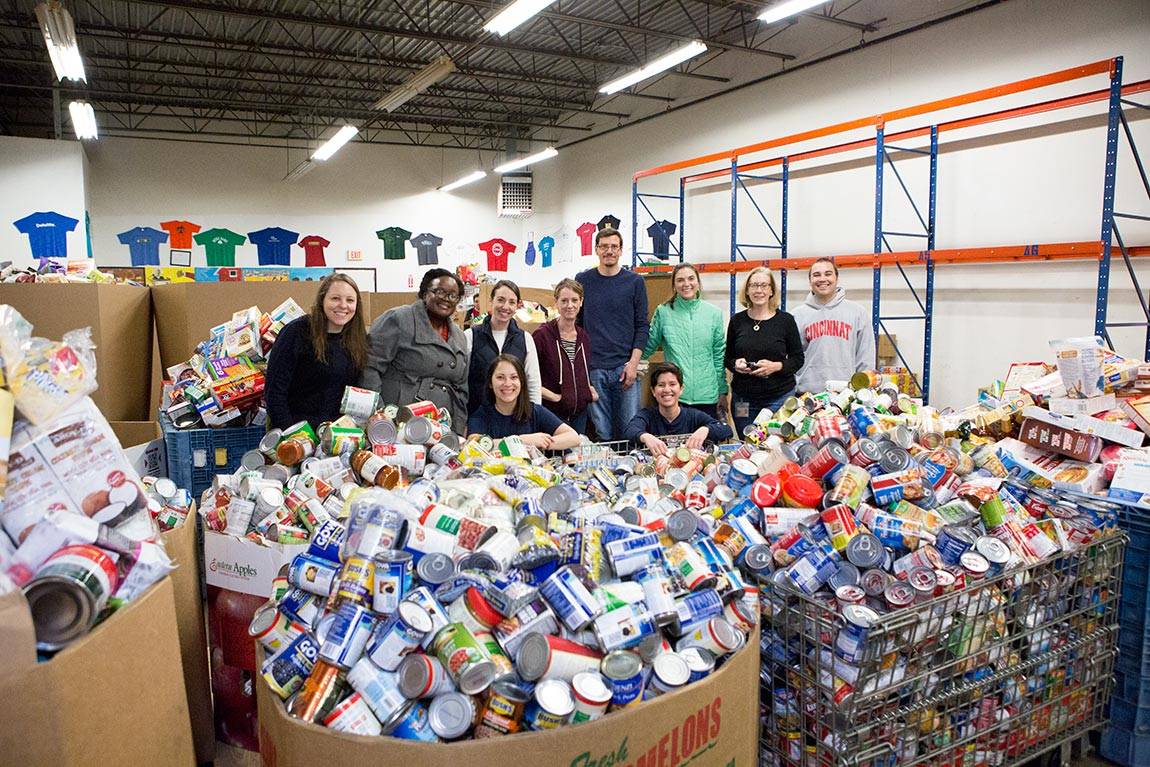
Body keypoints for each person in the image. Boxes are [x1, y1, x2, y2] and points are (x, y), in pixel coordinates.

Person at [361, 268, 469, 434]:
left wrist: (458, 428)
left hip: (441, 427)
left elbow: (462, 388)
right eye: (439, 292)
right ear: (425, 293)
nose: (446, 299)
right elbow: (369, 367)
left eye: (453, 295)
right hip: (398, 421)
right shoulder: (398, 319)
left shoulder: (460, 336)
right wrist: (381, 416)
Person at [264, 273, 369, 429]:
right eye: (335, 298)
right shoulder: (296, 332)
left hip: (338, 435)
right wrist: (293, 435)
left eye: (350, 300)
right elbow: (274, 394)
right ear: (322, 300)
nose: (343, 305)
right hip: (297, 433)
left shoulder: (357, 338)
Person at [576, 227, 649, 441]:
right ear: (596, 250)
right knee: (603, 433)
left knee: (630, 430)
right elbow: (577, 324)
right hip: (594, 368)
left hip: (625, 368)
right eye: (604, 246)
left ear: (621, 250)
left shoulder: (635, 282)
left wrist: (633, 364)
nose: (609, 251)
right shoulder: (583, 280)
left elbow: (642, 326)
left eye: (614, 246)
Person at [724, 266, 805, 436]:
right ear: (747, 290)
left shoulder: (785, 321)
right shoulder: (737, 321)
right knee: (748, 443)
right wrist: (736, 364)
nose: (758, 290)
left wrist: (776, 366)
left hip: (779, 398)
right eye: (754, 285)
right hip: (743, 400)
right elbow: (728, 358)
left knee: (776, 445)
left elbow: (798, 359)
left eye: (763, 285)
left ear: (771, 291)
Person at [642, 262, 727, 419]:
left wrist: (723, 391)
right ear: (674, 285)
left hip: (707, 395)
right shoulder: (664, 312)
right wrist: (631, 363)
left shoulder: (714, 313)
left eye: (691, 279)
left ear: (698, 282)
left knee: (706, 442)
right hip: (675, 397)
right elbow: (649, 346)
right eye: (680, 280)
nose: (686, 284)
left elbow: (718, 356)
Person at [791, 258, 875, 394]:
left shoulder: (857, 312)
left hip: (846, 393)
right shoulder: (796, 315)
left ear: (837, 278)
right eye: (816, 275)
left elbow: (865, 357)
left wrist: (864, 390)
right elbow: (791, 360)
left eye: (828, 274)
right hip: (807, 394)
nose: (822, 279)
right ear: (810, 281)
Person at [467, 354, 581, 451]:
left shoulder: (535, 411)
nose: (507, 383)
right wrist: (522, 441)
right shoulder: (481, 415)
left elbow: (573, 437)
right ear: (490, 383)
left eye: (514, 377)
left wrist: (542, 442)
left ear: (522, 382)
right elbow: (474, 445)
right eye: (500, 377)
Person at [464, 279, 541, 416]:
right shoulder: (471, 336)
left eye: (512, 302)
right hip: (478, 417)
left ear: (517, 306)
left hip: (515, 418)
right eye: (500, 300)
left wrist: (534, 416)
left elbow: (533, 383)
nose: (506, 307)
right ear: (491, 301)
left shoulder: (525, 339)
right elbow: (461, 381)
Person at [624, 362, 732, 456]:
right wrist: (645, 437)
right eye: (661, 385)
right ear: (653, 391)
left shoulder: (693, 415)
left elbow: (726, 429)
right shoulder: (647, 415)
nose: (667, 390)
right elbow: (630, 430)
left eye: (672, 384)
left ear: (681, 389)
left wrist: (706, 429)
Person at [533, 278, 598, 434]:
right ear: (556, 303)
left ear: (581, 302)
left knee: (576, 455)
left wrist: (589, 392)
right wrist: (554, 397)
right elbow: (529, 376)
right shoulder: (542, 335)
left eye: (574, 300)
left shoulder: (583, 337)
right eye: (564, 301)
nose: (570, 305)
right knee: (555, 456)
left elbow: (583, 372)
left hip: (579, 414)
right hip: (552, 414)